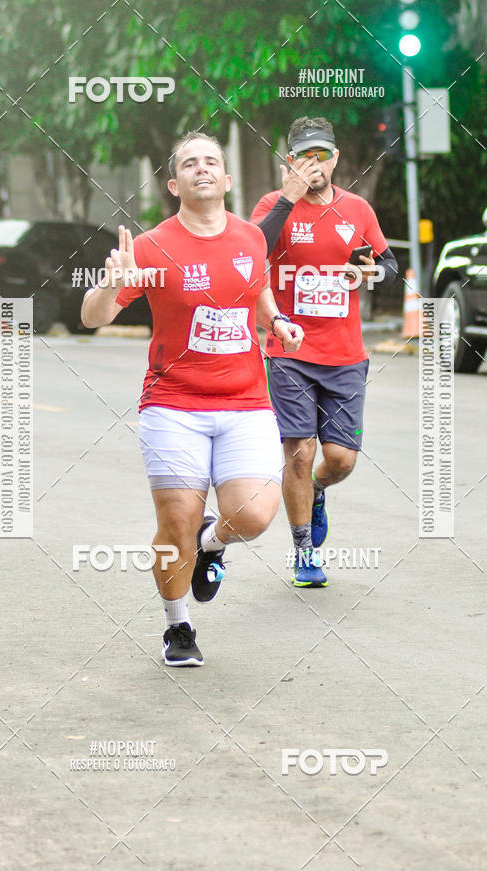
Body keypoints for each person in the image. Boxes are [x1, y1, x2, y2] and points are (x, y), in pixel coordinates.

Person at [81, 131, 303, 667]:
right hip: (173, 405)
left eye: (211, 161)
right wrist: (110, 285)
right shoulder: (153, 246)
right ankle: (178, 626)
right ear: (174, 182)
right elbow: (93, 316)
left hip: (246, 402)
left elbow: (257, 290)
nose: (201, 169)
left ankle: (212, 545)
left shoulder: (252, 237)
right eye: (189, 163)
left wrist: (277, 321)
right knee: (176, 520)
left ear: (226, 180)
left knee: (252, 517)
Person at [251, 116, 398, 588]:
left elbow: (390, 265)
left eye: (322, 155)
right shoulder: (273, 206)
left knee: (339, 459)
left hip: (345, 355)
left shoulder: (357, 209)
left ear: (336, 158)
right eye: (303, 156)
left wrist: (369, 272)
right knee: (298, 452)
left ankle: (317, 491)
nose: (314, 164)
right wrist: (288, 198)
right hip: (288, 349)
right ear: (290, 161)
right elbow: (252, 254)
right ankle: (303, 551)